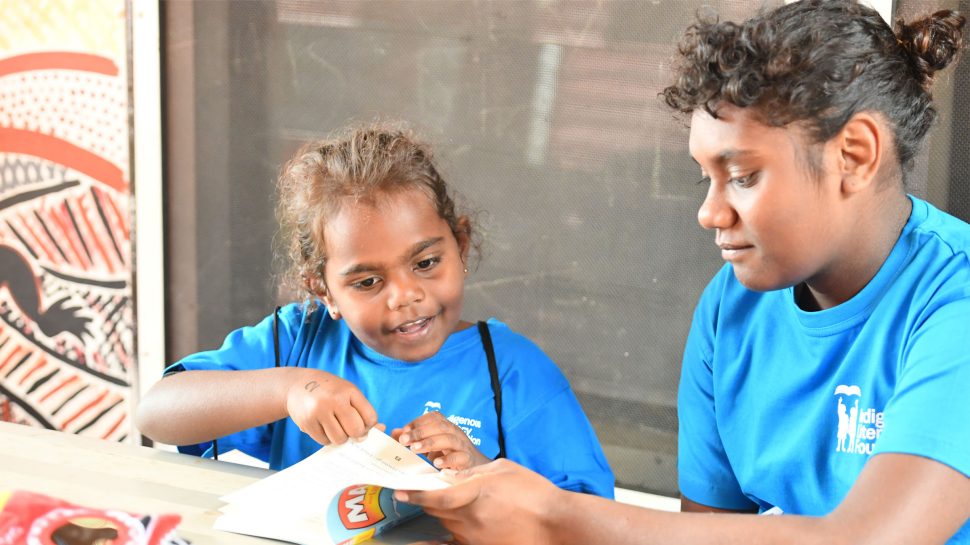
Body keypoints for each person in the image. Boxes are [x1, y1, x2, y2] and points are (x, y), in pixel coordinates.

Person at [396, 1, 970, 543]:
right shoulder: (731, 309)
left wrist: (555, 515)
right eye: (707, 179)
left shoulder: (954, 303)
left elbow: (870, 538)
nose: (709, 213)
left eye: (742, 176)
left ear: (854, 155)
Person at [135, 122, 614, 498]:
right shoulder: (298, 343)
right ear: (323, 291)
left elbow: (588, 517)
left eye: (425, 262)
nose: (404, 294)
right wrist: (288, 390)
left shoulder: (510, 372)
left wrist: (482, 475)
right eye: (366, 281)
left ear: (461, 247)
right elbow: (156, 413)